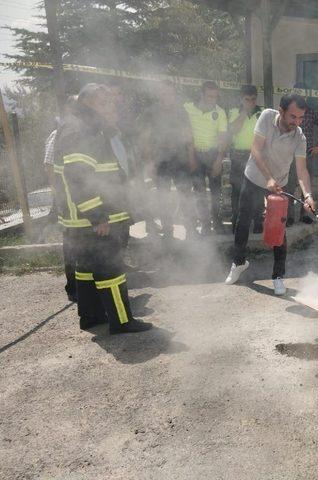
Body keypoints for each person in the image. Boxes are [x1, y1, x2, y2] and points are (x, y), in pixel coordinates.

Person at [54, 83, 152, 334]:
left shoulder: (82, 126)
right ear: (90, 102)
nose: (112, 107)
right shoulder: (81, 129)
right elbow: (79, 177)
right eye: (106, 103)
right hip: (94, 216)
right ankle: (122, 321)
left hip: (82, 217)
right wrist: (96, 215)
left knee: (87, 268)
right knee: (111, 268)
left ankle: (90, 316)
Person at [225, 94, 315, 296]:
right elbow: (255, 150)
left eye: (301, 118)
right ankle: (238, 263)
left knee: (278, 231)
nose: (297, 122)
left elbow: (301, 171)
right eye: (293, 117)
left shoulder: (299, 137)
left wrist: (308, 195)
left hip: (278, 186)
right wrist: (268, 178)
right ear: (281, 111)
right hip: (254, 177)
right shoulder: (266, 117)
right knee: (242, 221)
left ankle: (278, 276)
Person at [140, 81, 196, 240]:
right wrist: (149, 162)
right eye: (164, 94)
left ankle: (190, 230)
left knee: (186, 195)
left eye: (170, 94)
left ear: (174, 95)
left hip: (181, 160)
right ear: (159, 95)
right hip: (160, 161)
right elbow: (145, 138)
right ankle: (167, 230)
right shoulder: (150, 113)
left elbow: (188, 135)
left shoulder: (181, 112)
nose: (167, 97)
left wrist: (191, 157)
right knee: (162, 196)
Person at [44, 95, 77, 302]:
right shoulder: (57, 135)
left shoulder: (82, 134)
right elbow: (48, 165)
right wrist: (57, 192)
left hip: (79, 198)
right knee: (72, 242)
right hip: (66, 199)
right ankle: (73, 287)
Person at [184, 81, 228, 235]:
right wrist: (191, 157)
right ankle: (205, 225)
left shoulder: (220, 112)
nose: (212, 100)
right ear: (201, 94)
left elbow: (223, 138)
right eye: (209, 96)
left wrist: (219, 160)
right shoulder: (187, 108)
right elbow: (185, 132)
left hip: (213, 155)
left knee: (216, 192)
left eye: (215, 97)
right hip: (194, 154)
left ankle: (217, 223)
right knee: (199, 192)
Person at [286, 83, 318, 225]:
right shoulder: (288, 112)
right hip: (290, 155)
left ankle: (305, 215)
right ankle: (289, 217)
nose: (300, 97)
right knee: (290, 186)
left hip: (307, 155)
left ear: (306, 96)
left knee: (307, 187)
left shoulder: (312, 112)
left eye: (302, 94)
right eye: (297, 94)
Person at [228, 85, 264, 233]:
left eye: (253, 99)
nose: (251, 102)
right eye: (247, 99)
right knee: (237, 190)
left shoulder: (262, 112)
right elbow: (233, 130)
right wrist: (244, 112)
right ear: (241, 99)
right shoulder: (233, 112)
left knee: (257, 190)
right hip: (238, 156)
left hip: (256, 156)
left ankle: (257, 222)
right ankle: (236, 222)